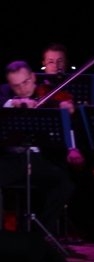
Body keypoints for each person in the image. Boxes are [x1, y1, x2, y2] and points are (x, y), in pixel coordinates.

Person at [0, 60, 80, 242]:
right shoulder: (4, 94)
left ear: (33, 77)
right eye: (16, 86)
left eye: (26, 82)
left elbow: (69, 129)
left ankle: (40, 235)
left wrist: (66, 116)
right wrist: (14, 103)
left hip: (40, 159)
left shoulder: (51, 96)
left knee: (64, 184)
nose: (22, 89)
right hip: (12, 160)